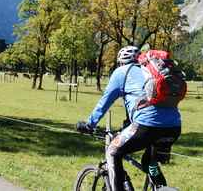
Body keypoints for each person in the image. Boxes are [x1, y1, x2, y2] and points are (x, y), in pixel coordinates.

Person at [77, 46, 181, 191]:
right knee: (149, 162)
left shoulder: (121, 72)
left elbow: (105, 102)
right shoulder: (150, 72)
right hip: (174, 127)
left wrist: (90, 124)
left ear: (121, 62)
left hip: (146, 125)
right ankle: (161, 186)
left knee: (113, 152)